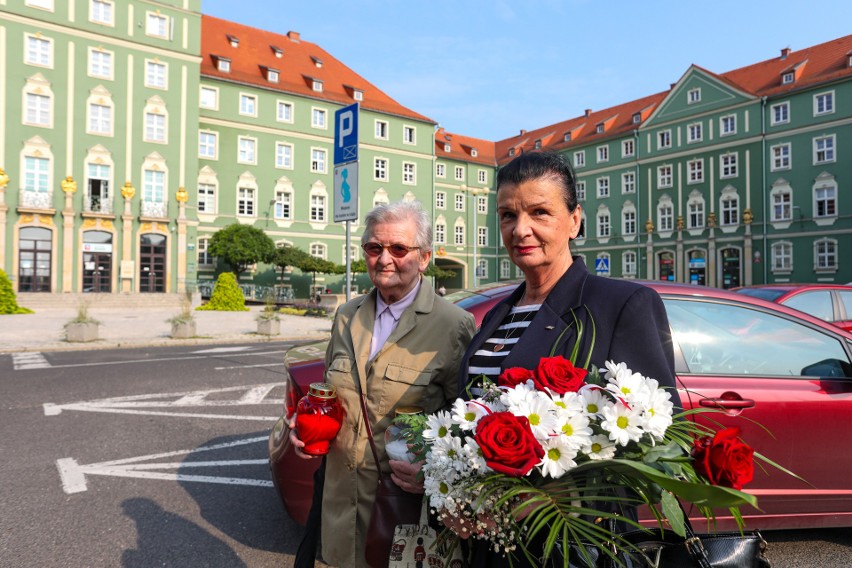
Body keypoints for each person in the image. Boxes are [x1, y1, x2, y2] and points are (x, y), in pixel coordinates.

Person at [456, 151, 681, 567]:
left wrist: (557, 496)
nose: (520, 229)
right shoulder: (496, 316)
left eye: (539, 212)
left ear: (575, 220)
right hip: (492, 545)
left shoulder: (620, 304)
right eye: (507, 215)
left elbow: (659, 443)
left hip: (572, 545)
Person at [290, 200, 476, 568]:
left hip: (404, 516)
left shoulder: (453, 325)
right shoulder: (347, 315)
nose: (384, 258)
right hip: (340, 511)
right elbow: (331, 396)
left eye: (399, 249)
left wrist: (434, 474)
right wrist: (308, 429)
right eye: (374, 248)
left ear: (424, 258)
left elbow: (466, 429)